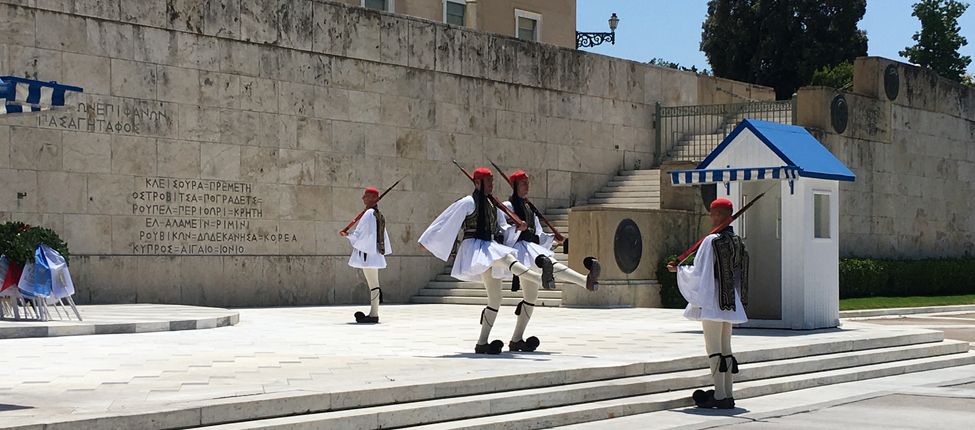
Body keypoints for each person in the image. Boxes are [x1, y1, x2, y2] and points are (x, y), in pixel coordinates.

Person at [418, 167, 554, 355]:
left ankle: (482, 343)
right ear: (477, 182)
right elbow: (448, 221)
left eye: (492, 181)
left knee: (496, 299)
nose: (492, 184)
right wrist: (428, 241)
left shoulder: (493, 204)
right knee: (506, 257)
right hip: (474, 246)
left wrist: (517, 228)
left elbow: (501, 229)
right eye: (488, 181)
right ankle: (540, 279)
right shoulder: (468, 202)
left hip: (488, 245)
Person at [501, 170, 600, 352]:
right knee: (550, 264)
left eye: (527, 182)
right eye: (523, 183)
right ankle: (584, 281)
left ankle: (516, 340)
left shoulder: (529, 207)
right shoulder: (508, 206)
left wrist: (554, 239)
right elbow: (503, 232)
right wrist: (516, 227)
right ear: (515, 186)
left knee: (530, 298)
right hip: (520, 251)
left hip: (532, 247)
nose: (527, 186)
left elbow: (538, 234)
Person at [668, 197, 748, 409]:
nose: (711, 216)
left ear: (719, 215)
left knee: (714, 347)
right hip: (729, 299)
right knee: (726, 347)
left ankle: (720, 396)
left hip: (712, 298)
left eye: (713, 213)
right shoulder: (736, 240)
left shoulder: (711, 241)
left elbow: (700, 271)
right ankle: (727, 394)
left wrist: (679, 270)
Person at [340, 187, 392, 324]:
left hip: (368, 254)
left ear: (374, 198)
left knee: (373, 284)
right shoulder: (377, 214)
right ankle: (373, 313)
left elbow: (361, 235)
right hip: (373, 253)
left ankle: (374, 314)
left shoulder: (369, 214)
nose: (363, 198)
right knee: (374, 283)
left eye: (366, 196)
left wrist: (347, 235)